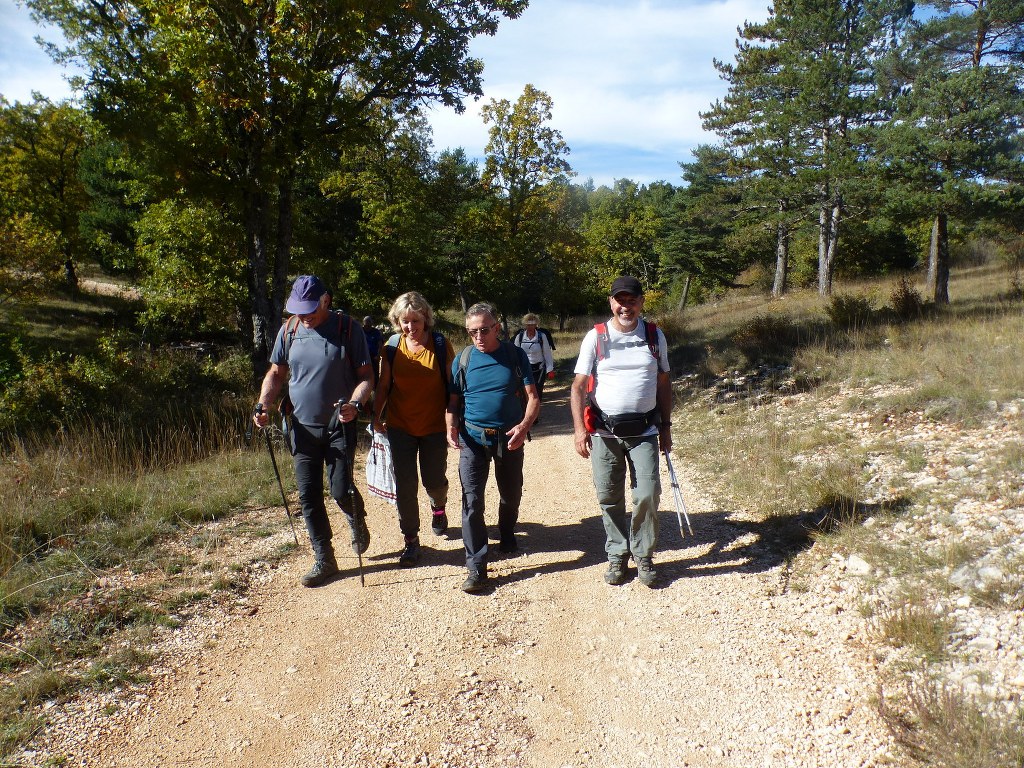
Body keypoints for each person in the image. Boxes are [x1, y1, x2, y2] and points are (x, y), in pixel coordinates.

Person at [253, 275, 374, 587]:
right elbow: (276, 373)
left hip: (339, 425)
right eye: (298, 309)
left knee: (339, 489)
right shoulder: (290, 329)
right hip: (302, 427)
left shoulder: (348, 329)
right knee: (308, 494)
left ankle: (355, 516)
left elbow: (366, 377)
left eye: (309, 309)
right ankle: (325, 558)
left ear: (325, 301)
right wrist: (264, 403)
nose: (303, 315)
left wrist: (355, 404)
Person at [569, 275, 673, 588]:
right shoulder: (596, 337)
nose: (625, 306)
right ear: (611, 303)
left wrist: (666, 427)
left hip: (644, 430)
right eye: (619, 300)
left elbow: (664, 383)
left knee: (648, 493)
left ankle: (643, 553)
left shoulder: (654, 335)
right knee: (609, 496)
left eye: (631, 300)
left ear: (641, 302)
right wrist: (578, 430)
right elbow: (576, 387)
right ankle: (617, 554)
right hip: (604, 431)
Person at [447, 302, 540, 593]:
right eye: (472, 332)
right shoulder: (462, 360)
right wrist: (450, 424)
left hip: (509, 437)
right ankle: (476, 566)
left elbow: (533, 398)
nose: (478, 337)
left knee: (510, 494)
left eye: (484, 330)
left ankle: (507, 530)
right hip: (473, 438)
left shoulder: (515, 355)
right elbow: (453, 401)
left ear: (497, 328)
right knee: (472, 500)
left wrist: (523, 427)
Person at [372, 292, 455, 567]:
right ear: (397, 321)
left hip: (433, 426)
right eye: (405, 321)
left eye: (415, 321)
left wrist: (453, 419)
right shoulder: (392, 347)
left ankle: (438, 507)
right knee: (405, 486)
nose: (410, 327)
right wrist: (376, 415)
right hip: (400, 426)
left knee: (433, 481)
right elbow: (384, 385)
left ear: (426, 319)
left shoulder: (441, 345)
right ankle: (410, 540)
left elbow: (452, 387)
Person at [512, 313, 556, 403]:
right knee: (525, 393)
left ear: (536, 325)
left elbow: (547, 353)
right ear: (525, 325)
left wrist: (550, 369)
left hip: (539, 370)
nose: (530, 327)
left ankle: (535, 415)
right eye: (528, 325)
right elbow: (515, 354)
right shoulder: (519, 337)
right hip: (523, 369)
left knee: (537, 393)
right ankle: (525, 413)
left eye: (532, 325)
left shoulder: (541, 336)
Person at [362, 315, 385, 384]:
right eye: (366, 325)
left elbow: (380, 345)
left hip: (374, 357)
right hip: (363, 356)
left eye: (369, 324)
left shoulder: (376, 332)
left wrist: (378, 355)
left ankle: (375, 388)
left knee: (375, 373)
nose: (368, 327)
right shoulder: (361, 331)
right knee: (364, 374)